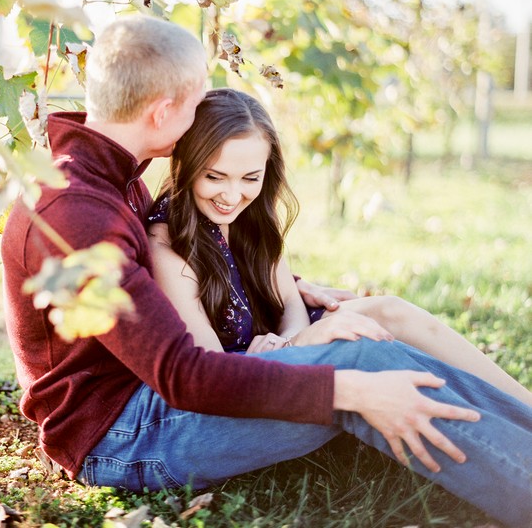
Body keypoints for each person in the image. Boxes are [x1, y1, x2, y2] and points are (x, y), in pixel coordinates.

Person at [1, 15, 532, 527]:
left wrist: (296, 290)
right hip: (121, 433)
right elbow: (186, 376)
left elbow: (156, 284)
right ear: (163, 111)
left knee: (368, 344)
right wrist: (349, 390)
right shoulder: (76, 211)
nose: (198, 120)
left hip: (152, 398)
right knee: (365, 367)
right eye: (194, 105)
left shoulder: (109, 181)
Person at [148, 87, 532, 408]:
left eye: (251, 177)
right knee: (366, 345)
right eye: (215, 177)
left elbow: (291, 304)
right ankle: (486, 414)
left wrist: (293, 341)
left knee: (388, 310)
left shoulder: (251, 218)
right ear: (187, 166)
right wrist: (295, 347)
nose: (233, 195)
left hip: (283, 349)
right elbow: (211, 368)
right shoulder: (169, 245)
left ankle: (520, 404)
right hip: (247, 377)